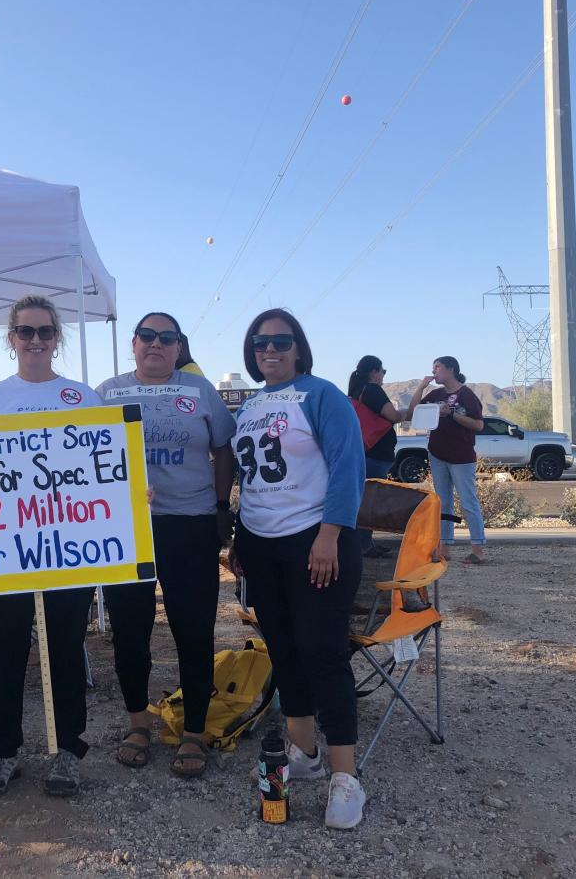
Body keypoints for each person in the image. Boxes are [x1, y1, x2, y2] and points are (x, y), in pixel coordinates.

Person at [228, 308, 368, 830]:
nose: (270, 350)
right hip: (262, 544)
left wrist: (332, 532)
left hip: (315, 539)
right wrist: (240, 534)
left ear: (298, 346)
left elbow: (348, 463)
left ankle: (346, 776)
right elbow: (252, 479)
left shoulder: (323, 394)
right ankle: (304, 751)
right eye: (261, 342)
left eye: (281, 341)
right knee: (283, 649)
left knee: (324, 652)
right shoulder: (249, 407)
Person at [0, 294, 100, 798]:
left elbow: (102, 468)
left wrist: (130, 494)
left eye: (45, 331)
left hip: (68, 548)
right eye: (26, 331)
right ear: (12, 338)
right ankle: (1, 753)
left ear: (57, 338)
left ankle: (67, 751)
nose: (36, 340)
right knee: (4, 650)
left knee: (65, 647)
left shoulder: (82, 398)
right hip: (6, 552)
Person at [95, 311, 236, 777]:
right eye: (148, 336)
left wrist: (220, 506)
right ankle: (138, 723)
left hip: (190, 523)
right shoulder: (106, 393)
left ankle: (194, 730)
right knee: (130, 629)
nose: (156, 344)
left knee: (192, 629)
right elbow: (83, 454)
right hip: (127, 529)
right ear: (133, 343)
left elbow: (224, 450)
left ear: (179, 347)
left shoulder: (199, 391)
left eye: (167, 338)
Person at [407, 355, 486, 564]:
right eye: (433, 368)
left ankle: (477, 549)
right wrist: (421, 387)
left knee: (468, 502)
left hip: (461, 457)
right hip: (438, 454)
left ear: (450, 369)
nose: (434, 372)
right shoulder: (435, 394)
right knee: (442, 503)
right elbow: (412, 412)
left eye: (438, 367)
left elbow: (478, 425)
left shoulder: (466, 395)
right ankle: (445, 547)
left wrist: (452, 414)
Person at [347, 355, 405, 558]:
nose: (383, 375)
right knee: (368, 501)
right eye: (383, 371)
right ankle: (363, 545)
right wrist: (409, 411)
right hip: (376, 453)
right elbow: (394, 416)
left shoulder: (357, 391)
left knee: (364, 499)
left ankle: (364, 542)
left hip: (365, 452)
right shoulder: (373, 390)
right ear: (374, 372)